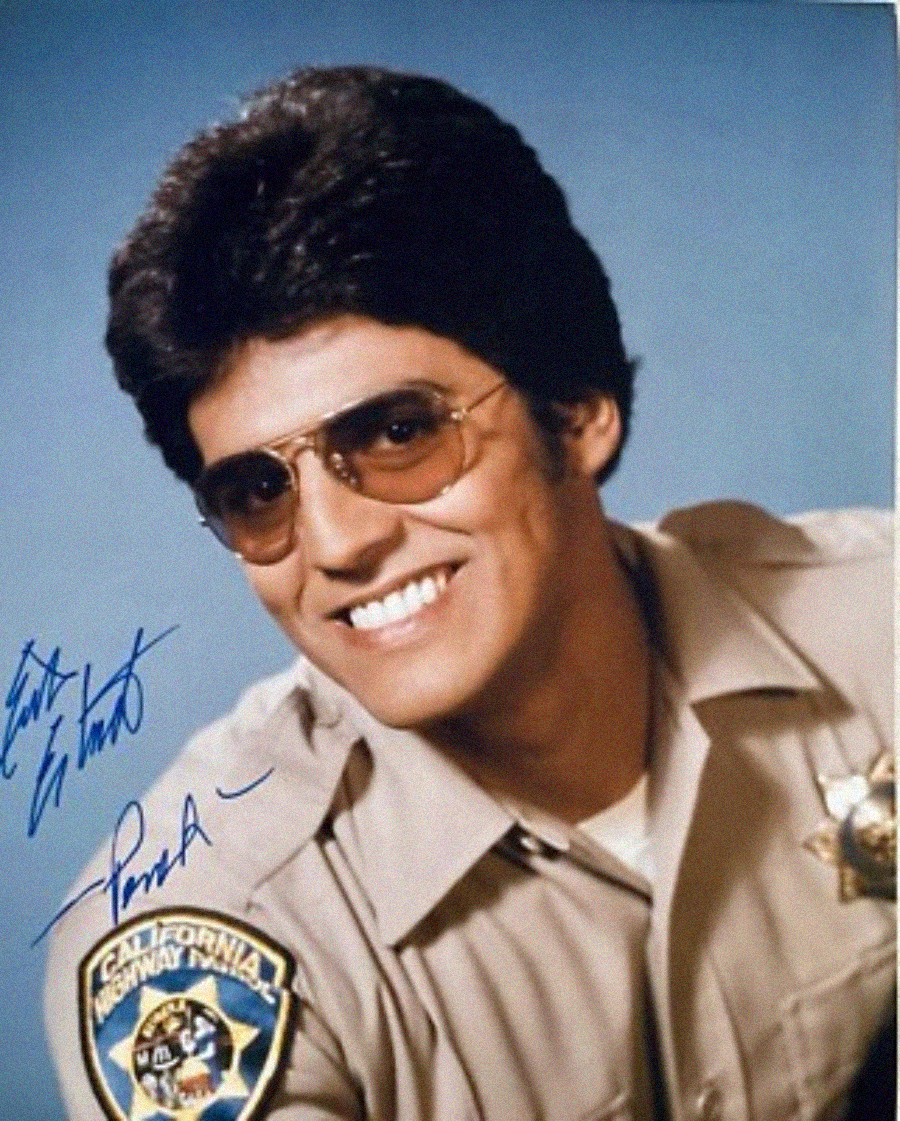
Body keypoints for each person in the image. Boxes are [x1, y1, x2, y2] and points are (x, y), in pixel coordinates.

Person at [45, 66, 894, 1121]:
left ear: (578, 408)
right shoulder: (202, 933)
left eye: (398, 431)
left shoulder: (880, 631)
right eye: (259, 491)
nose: (337, 543)